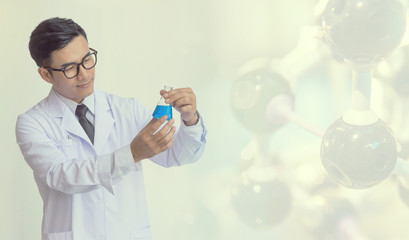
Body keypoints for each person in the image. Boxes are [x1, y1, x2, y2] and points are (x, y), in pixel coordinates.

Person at [15, 17, 207, 240]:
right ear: (46, 74)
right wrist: (132, 154)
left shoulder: (126, 110)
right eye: (69, 68)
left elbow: (178, 155)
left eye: (87, 59)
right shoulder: (33, 123)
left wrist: (190, 119)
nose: (84, 74)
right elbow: (62, 177)